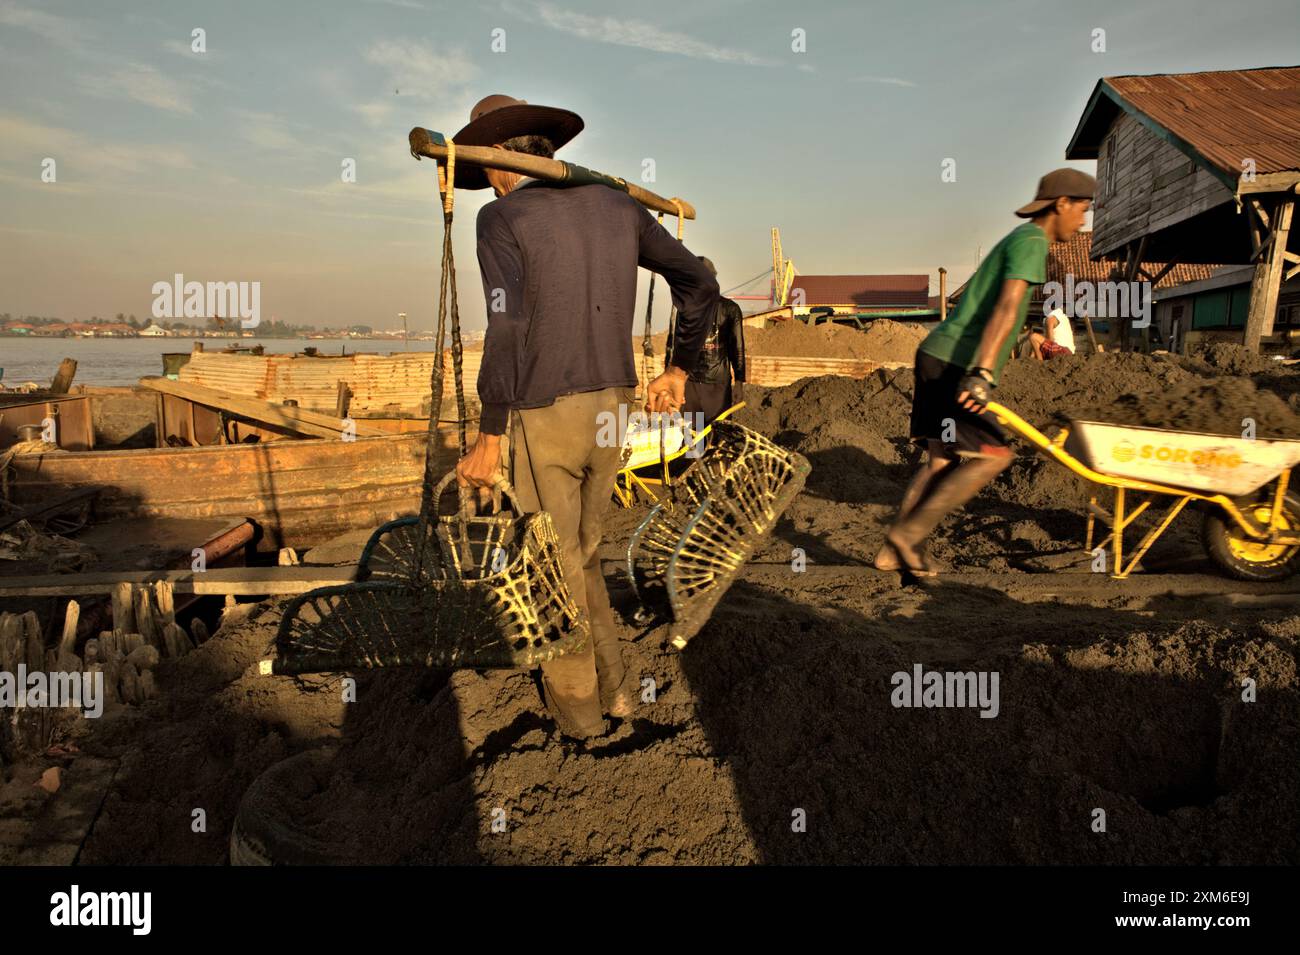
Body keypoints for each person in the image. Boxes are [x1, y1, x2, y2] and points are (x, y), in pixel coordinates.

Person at [453, 94, 719, 739]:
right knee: (583, 553)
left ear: (496, 166)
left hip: (544, 412)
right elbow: (701, 281)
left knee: (550, 566)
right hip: (613, 409)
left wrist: (489, 437)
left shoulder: (500, 217)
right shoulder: (617, 206)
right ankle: (620, 693)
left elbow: (508, 324)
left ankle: (579, 719)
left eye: (487, 173)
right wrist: (681, 369)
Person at [874, 168, 1095, 577]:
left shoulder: (1020, 240)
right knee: (993, 456)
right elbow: (1006, 308)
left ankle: (892, 551)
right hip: (957, 363)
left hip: (936, 353)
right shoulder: (1032, 241)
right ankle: (909, 537)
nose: (1083, 220)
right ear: (1061, 204)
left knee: (941, 461)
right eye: (1082, 209)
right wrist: (982, 373)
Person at [665, 256, 746, 424]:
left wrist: (739, 382)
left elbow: (737, 349)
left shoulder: (730, 310)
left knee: (716, 438)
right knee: (689, 438)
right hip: (690, 383)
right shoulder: (685, 310)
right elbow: (678, 346)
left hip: (718, 386)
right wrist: (674, 380)